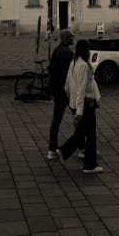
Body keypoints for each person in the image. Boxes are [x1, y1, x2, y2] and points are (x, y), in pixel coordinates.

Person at [56, 39, 103, 174]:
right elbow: (82, 89)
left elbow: (68, 82)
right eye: (88, 48)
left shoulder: (74, 62)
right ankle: (89, 165)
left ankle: (65, 151)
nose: (89, 51)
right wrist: (79, 111)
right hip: (86, 104)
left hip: (76, 103)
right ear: (85, 50)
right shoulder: (84, 65)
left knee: (83, 132)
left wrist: (70, 100)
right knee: (91, 134)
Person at [46, 29, 75, 160]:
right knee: (79, 117)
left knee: (56, 120)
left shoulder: (58, 49)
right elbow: (68, 74)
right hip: (65, 91)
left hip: (57, 90)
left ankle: (52, 149)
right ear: (65, 39)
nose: (73, 38)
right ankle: (81, 148)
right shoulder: (66, 53)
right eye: (71, 36)